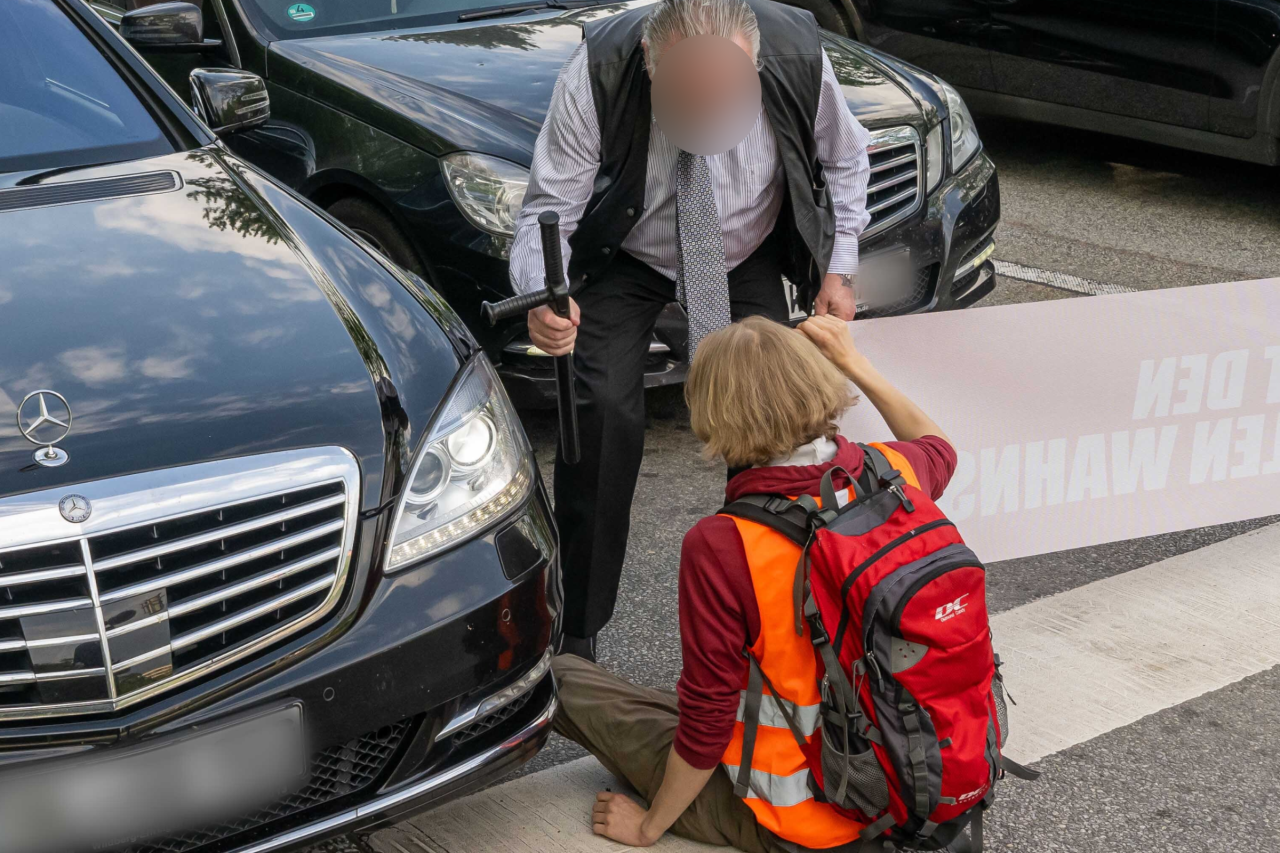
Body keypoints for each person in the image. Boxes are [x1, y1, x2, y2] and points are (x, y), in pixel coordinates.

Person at [509, 0, 873, 660]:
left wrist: (840, 268)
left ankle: (776, 608)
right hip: (628, 251)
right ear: (652, 62)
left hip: (746, 247)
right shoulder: (598, 73)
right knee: (600, 408)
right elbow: (550, 212)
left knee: (773, 418)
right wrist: (542, 299)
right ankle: (577, 632)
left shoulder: (796, 54)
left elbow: (847, 160)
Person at [549, 314, 958, 851]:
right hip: (912, 771)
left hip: (800, 814)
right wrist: (855, 363)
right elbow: (940, 446)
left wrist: (649, 827)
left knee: (562, 678)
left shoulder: (725, 543)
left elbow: (707, 721)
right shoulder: (892, 473)